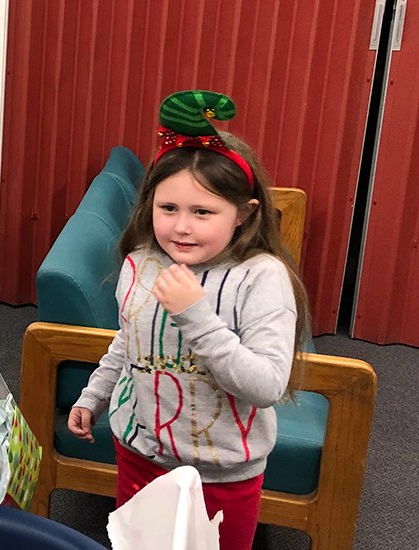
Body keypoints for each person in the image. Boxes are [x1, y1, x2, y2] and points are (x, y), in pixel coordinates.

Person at [67, 90, 312, 550]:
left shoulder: (260, 278)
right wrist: (94, 395)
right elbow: (129, 339)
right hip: (140, 454)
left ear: (243, 213)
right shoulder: (142, 262)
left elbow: (266, 386)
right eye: (168, 209)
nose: (182, 226)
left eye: (203, 212)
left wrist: (195, 315)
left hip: (221, 472)